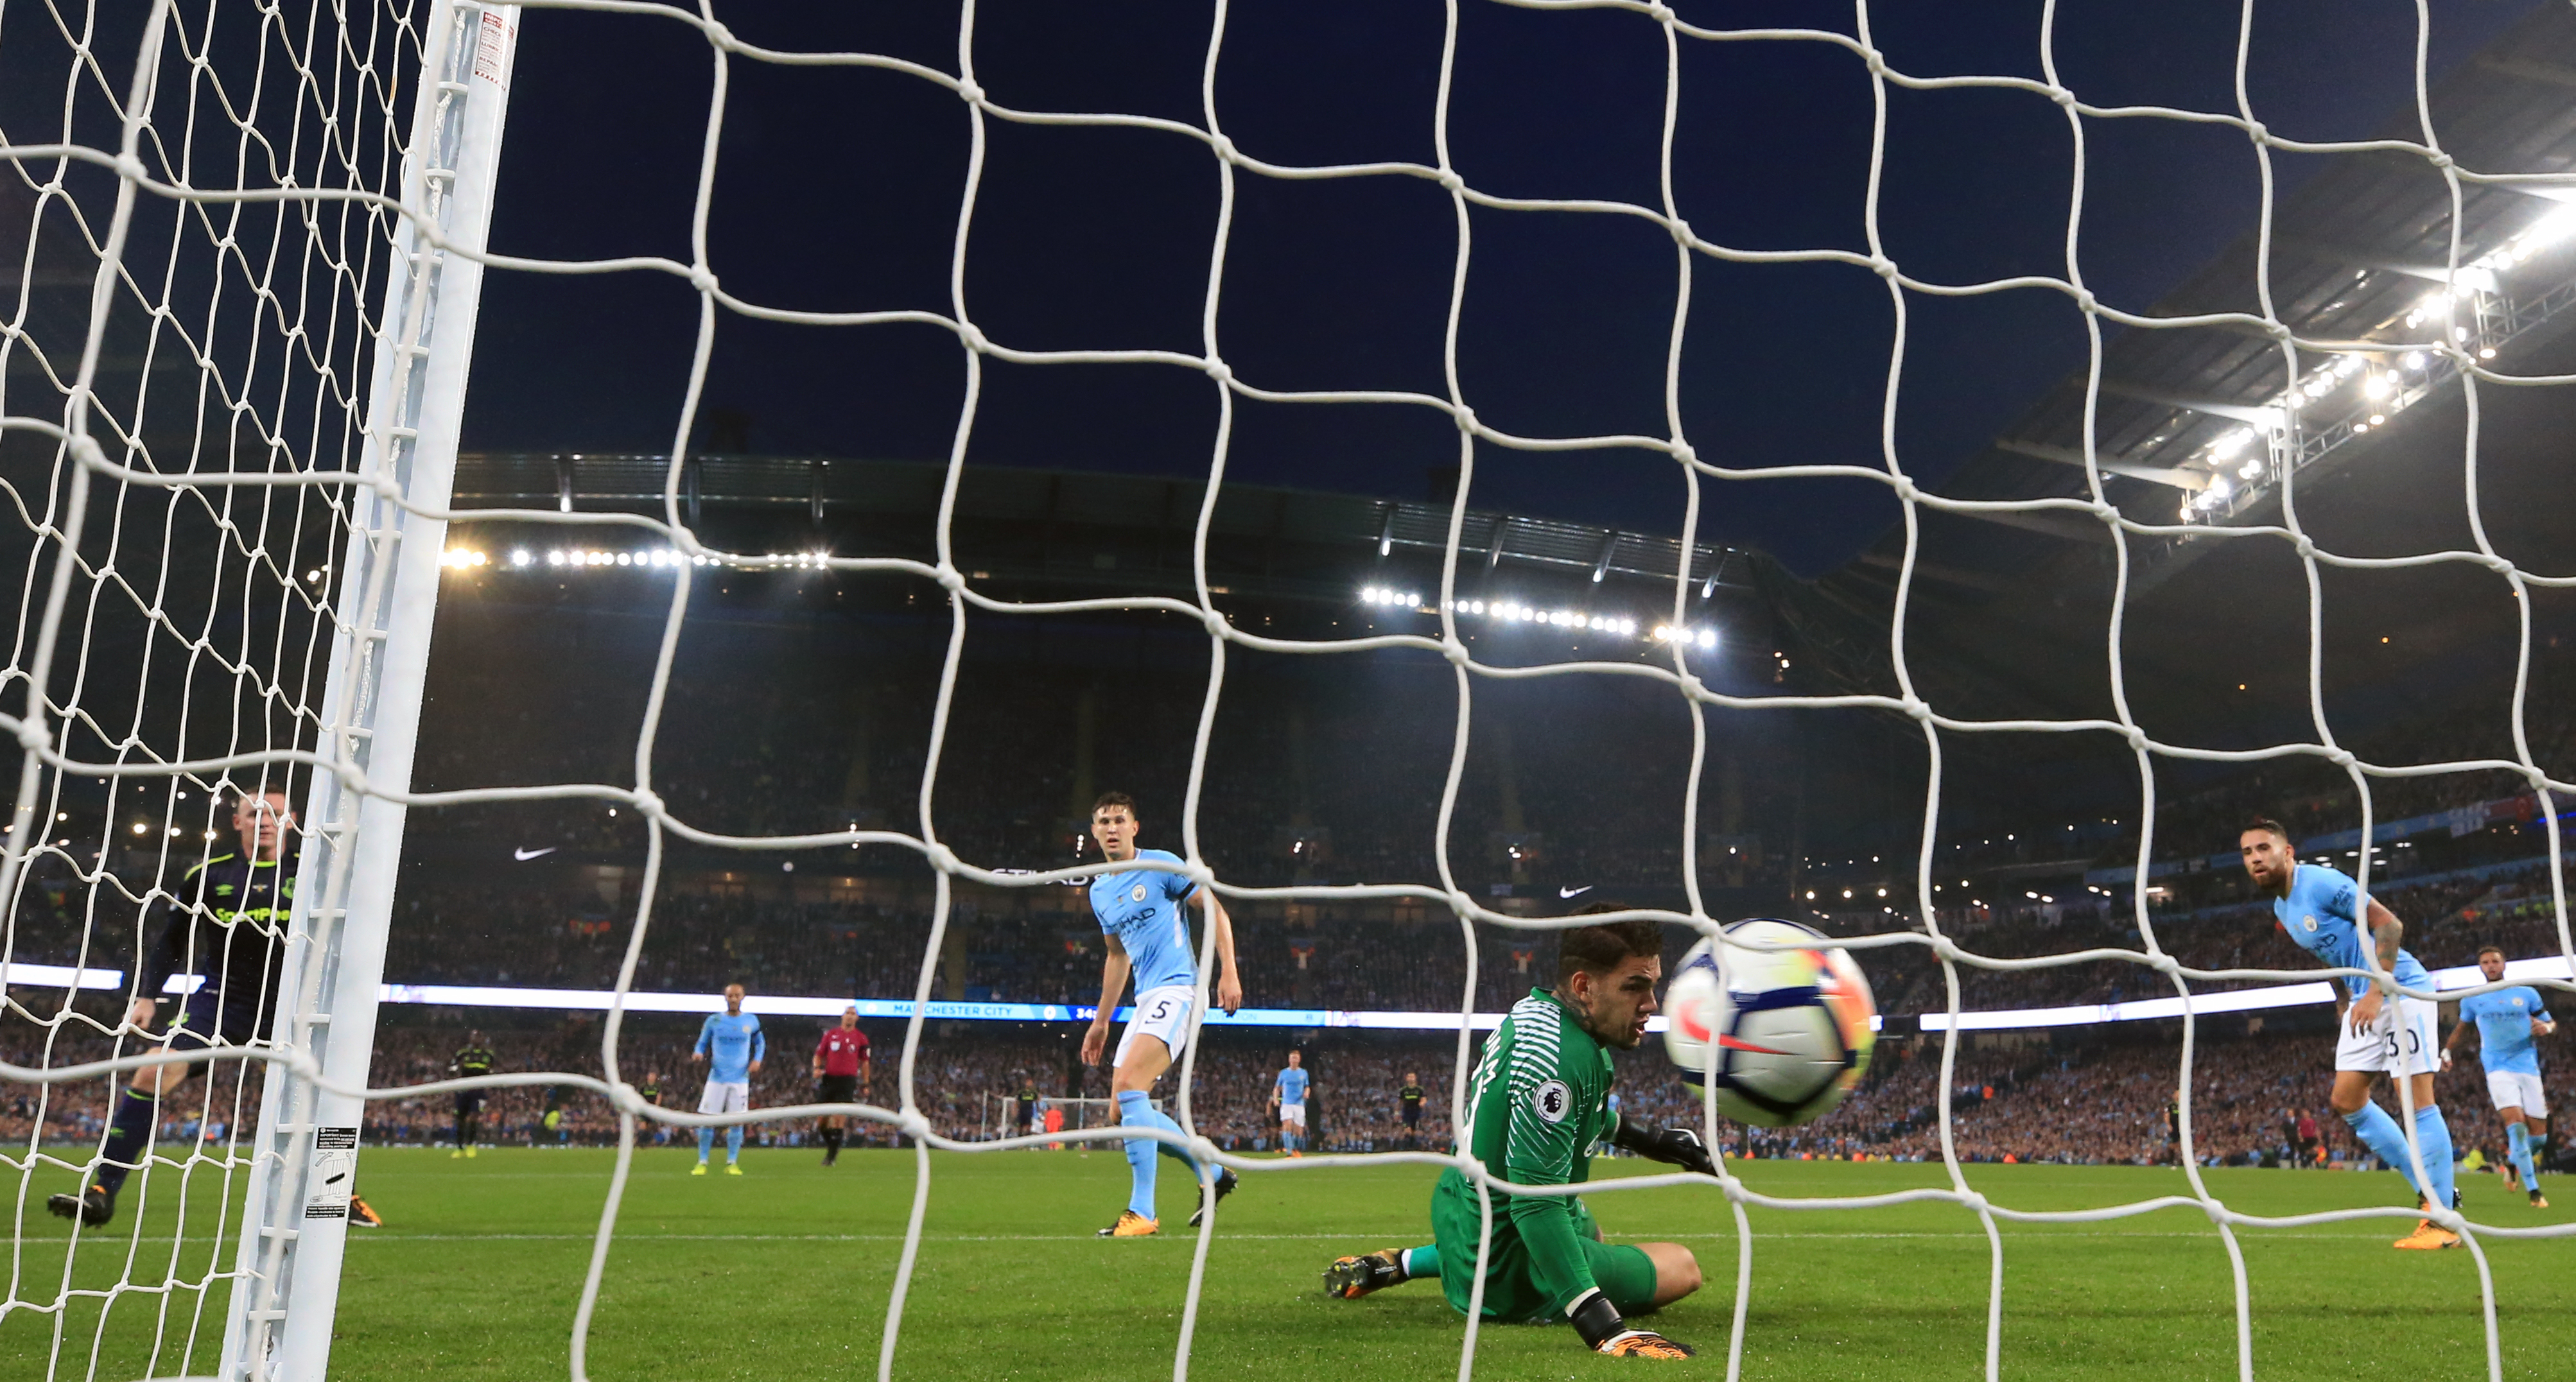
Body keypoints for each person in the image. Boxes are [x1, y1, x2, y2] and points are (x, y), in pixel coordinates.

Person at [1321, 911, 1707, 1358]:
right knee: (1684, 1265)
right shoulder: (1561, 1062)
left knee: (1587, 1227)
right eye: (1634, 986)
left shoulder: (1534, 1012)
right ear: (1584, 986)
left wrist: (1652, 1141)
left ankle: (1401, 1262)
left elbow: (1579, 1118)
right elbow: (1534, 1204)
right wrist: (1604, 1327)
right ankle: (1494, 1284)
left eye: (1652, 985)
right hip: (1510, 1268)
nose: (1651, 1003)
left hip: (1459, 1214)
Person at [51, 788, 296, 1228]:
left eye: (274, 814)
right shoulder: (208, 874)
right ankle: (103, 1189)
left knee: (322, 1097)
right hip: (225, 1000)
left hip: (295, 1004)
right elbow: (172, 940)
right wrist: (147, 994)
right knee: (151, 1069)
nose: (264, 821)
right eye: (253, 813)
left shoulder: (312, 874)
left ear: (292, 821)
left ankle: (341, 1194)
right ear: (236, 821)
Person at [2240, 818, 2460, 1249]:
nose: (2255, 858)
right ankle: (2431, 1189)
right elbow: (2334, 952)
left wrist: (2378, 990)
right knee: (2347, 1100)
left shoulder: (2320, 882)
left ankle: (2441, 1220)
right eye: (2247, 853)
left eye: (2264, 848)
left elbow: (2390, 925)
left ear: (2289, 852)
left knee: (2417, 1100)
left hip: (2400, 990)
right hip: (2364, 996)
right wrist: (2346, 998)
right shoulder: (2282, 908)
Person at [1079, 792, 1243, 1237]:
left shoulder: (1162, 865)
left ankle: (1142, 1212)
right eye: (1103, 821)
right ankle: (1212, 1174)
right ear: (1094, 832)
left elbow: (1214, 909)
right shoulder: (1099, 892)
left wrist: (1228, 970)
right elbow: (1117, 958)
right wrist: (1101, 1021)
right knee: (1119, 1110)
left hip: (1180, 988)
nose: (1111, 827)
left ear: (1135, 827)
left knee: (1133, 1086)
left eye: (1119, 820)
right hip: (1145, 998)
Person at [2445, 945, 2555, 1208]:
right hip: (2497, 1068)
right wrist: (2447, 1051)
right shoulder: (2473, 998)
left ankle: (2512, 1163)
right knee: (2516, 1127)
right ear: (2481, 968)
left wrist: (2547, 1028)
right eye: (2485, 962)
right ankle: (2534, 1192)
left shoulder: (2527, 993)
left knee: (2538, 1139)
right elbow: (2462, 1028)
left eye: (2495, 961)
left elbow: (2549, 1021)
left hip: (2528, 1066)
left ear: (2504, 964)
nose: (2491, 966)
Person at [692, 983, 764, 1176]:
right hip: (717, 1077)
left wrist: (757, 1060)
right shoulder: (714, 1021)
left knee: (737, 1122)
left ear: (743, 997)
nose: (733, 999)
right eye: (730, 995)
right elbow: (702, 1042)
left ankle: (732, 1162)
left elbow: (760, 1042)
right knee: (707, 1121)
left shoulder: (751, 1021)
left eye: (737, 995)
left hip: (740, 1079)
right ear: (725, 997)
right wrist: (698, 1053)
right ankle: (702, 1162)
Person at [813, 1004, 871, 1166]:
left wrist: (866, 1083)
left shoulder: (861, 1038)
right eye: (848, 1013)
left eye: (853, 1013)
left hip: (847, 1081)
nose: (850, 1016)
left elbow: (865, 1063)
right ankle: (832, 1148)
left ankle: (831, 1157)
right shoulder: (831, 1035)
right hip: (829, 1079)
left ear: (857, 1018)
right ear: (843, 1016)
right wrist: (817, 1068)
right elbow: (819, 1055)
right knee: (821, 1121)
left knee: (839, 1119)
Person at [449, 1030, 495, 1159]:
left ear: (482, 1039)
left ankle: (471, 1145)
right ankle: (459, 1148)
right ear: (470, 1038)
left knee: (474, 1117)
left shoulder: (488, 1055)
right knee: (460, 1119)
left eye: (479, 1036)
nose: (477, 1039)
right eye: (475, 1036)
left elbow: (491, 1072)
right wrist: (457, 1067)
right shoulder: (463, 1053)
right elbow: (452, 1069)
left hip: (479, 1091)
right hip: (463, 1090)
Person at [1271, 1050, 1310, 1156]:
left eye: (1296, 1058)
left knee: (1299, 1130)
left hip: (1299, 1103)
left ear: (1299, 1059)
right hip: (1287, 1103)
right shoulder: (1284, 1073)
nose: (1294, 1060)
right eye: (1292, 1058)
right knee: (1287, 1125)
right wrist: (1275, 1099)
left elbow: (1307, 1086)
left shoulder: (1303, 1073)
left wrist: (1307, 1092)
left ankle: (1295, 1149)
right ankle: (1289, 1152)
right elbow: (1277, 1088)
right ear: (1289, 1060)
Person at [1398, 1071, 1427, 1150]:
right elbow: (1400, 1102)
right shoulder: (1403, 1090)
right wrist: (1397, 1112)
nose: (1411, 1078)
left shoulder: (1419, 1089)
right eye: (1409, 1077)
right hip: (1407, 1112)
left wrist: (1422, 1103)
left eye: (1412, 1077)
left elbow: (1424, 1098)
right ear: (1407, 1079)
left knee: (1414, 1130)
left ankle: (1412, 1146)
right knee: (1407, 1129)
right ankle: (1405, 1146)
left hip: (1416, 1112)